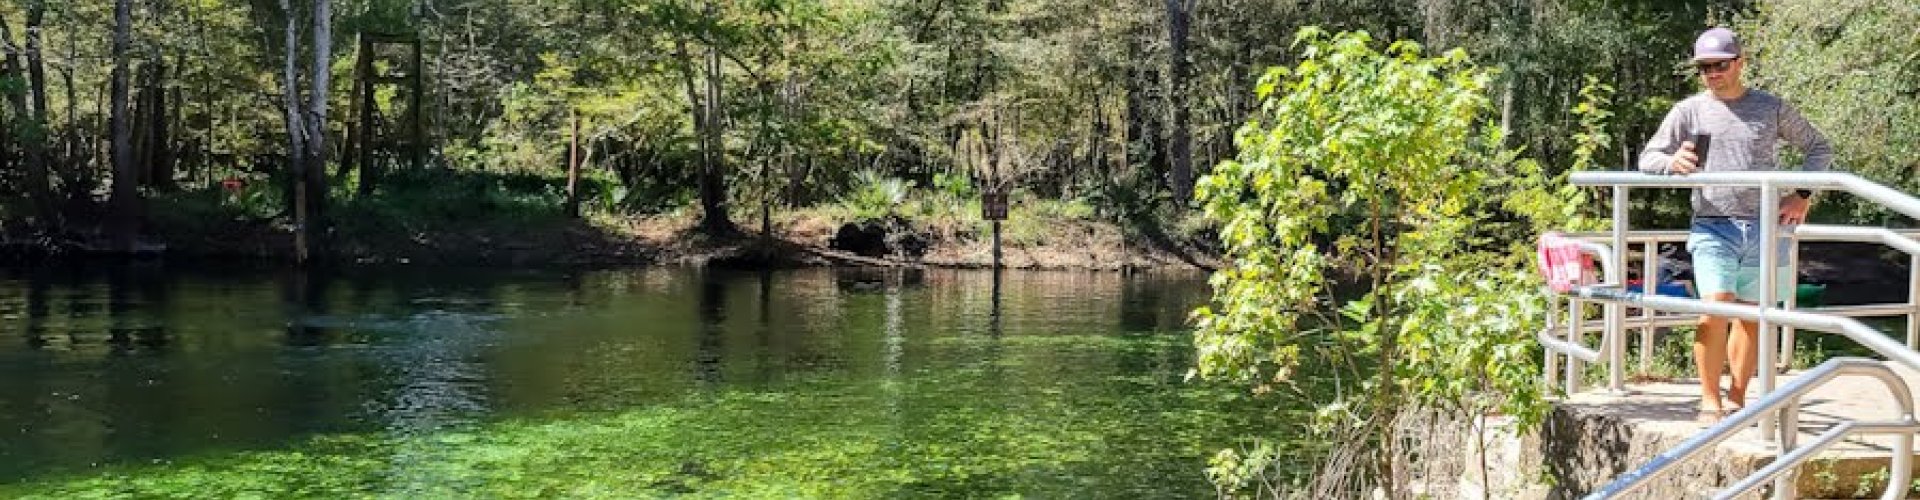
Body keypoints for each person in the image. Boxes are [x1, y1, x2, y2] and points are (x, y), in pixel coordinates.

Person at [1637, 27, 1833, 422]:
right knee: (1713, 311)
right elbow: (1648, 158)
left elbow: (1819, 146)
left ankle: (1738, 397)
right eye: (1704, 67)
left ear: (1739, 63)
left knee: (1751, 316)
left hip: (1766, 225)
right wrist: (1671, 163)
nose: (1712, 73)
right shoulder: (1688, 111)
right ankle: (1709, 401)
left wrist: (1802, 194)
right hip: (1713, 224)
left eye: (1719, 65)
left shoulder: (1770, 106)